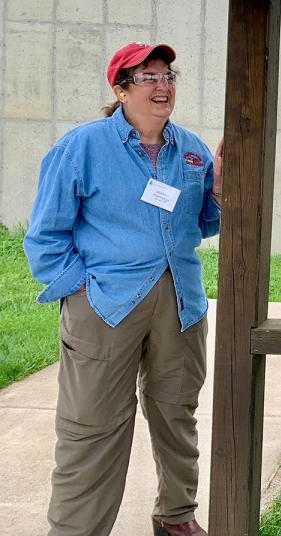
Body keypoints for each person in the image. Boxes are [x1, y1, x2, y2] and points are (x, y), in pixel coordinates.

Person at [24, 42, 223, 536]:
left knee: (177, 413)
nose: (163, 85)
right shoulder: (82, 146)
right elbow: (45, 237)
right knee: (91, 426)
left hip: (181, 306)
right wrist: (82, 294)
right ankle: (76, 529)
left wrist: (220, 189)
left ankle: (175, 515)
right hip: (105, 307)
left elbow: (206, 223)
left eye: (169, 75)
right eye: (148, 77)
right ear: (120, 89)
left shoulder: (193, 150)